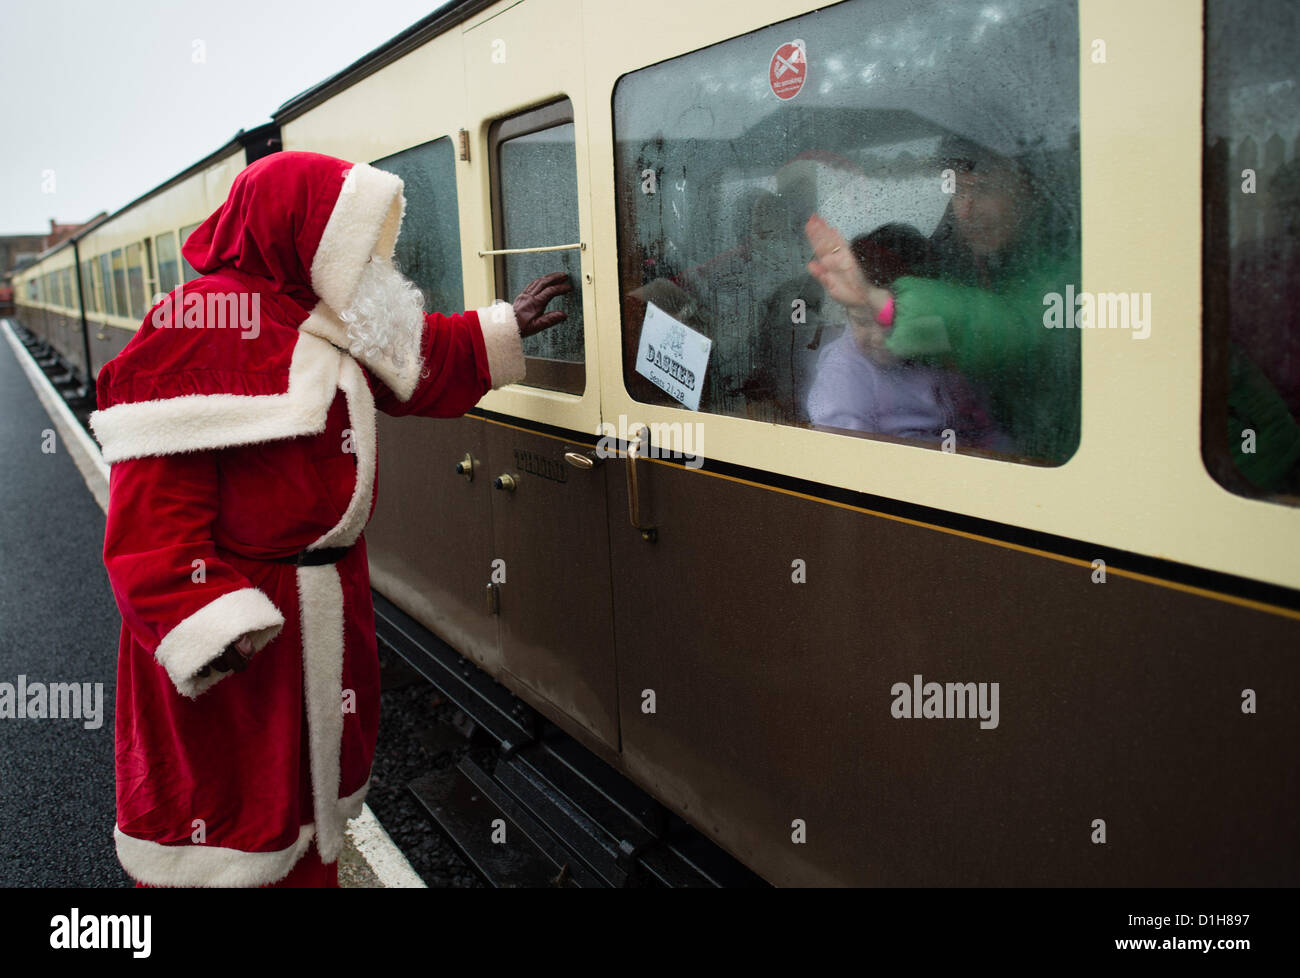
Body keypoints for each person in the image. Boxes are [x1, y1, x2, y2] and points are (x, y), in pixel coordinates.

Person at [89, 150, 571, 887]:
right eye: (346, 231)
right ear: (295, 230)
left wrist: (502, 328)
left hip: (322, 605)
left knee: (312, 818)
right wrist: (216, 627)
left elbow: (413, 358)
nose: (362, 254)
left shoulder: (311, 310)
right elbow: (149, 533)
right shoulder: (192, 329)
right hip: (250, 630)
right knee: (234, 827)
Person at [805, 140, 1082, 464]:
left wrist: (884, 305)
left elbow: (1020, 327)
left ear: (1031, 189)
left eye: (985, 189)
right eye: (958, 191)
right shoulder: (848, 368)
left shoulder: (1071, 265)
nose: (964, 210)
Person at [805, 223, 1005, 450]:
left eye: (893, 319)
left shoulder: (939, 347)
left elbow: (983, 427)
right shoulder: (846, 370)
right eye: (862, 321)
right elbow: (846, 453)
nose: (879, 338)